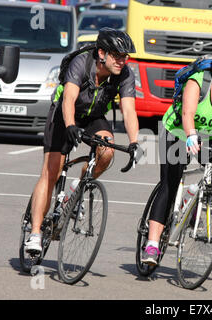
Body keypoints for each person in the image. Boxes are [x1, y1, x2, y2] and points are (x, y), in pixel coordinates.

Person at [140, 43, 212, 266]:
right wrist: (191, 135)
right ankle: (152, 244)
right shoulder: (198, 82)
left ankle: (196, 201)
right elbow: (188, 113)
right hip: (176, 130)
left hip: (210, 134)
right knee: (170, 183)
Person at [25, 28, 140, 253]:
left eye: (125, 56)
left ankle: (79, 187)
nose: (122, 61)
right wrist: (70, 126)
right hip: (63, 115)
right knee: (52, 172)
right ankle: (35, 233)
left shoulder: (125, 74)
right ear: (101, 53)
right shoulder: (81, 63)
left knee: (106, 152)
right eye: (117, 55)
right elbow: (68, 98)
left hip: (93, 116)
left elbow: (129, 110)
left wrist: (135, 142)